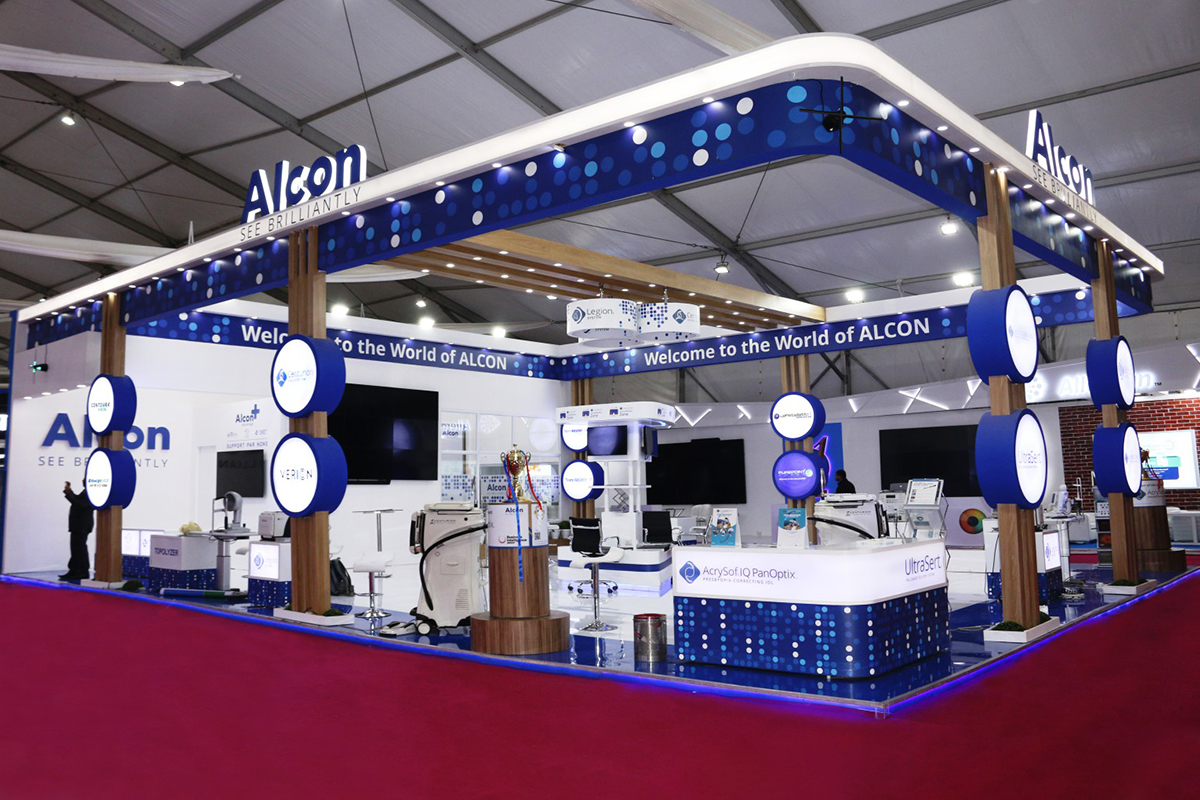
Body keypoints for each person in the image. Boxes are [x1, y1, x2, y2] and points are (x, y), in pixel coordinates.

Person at [60, 480, 94, 581]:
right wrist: (69, 492)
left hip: (82, 525)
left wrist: (69, 493)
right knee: (75, 549)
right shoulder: (86, 492)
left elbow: (80, 504)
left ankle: (82, 571)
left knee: (80, 549)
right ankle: (74, 570)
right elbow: (78, 500)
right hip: (78, 525)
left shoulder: (91, 493)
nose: (82, 481)